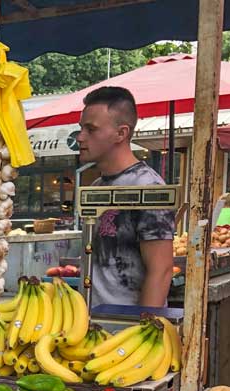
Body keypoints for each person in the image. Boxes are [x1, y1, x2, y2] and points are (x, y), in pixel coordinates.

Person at [77, 86, 174, 308]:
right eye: (81, 128)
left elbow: (161, 272)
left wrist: (142, 333)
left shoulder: (149, 188)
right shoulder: (97, 187)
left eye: (91, 129)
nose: (80, 137)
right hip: (91, 326)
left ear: (121, 133)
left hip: (126, 330)